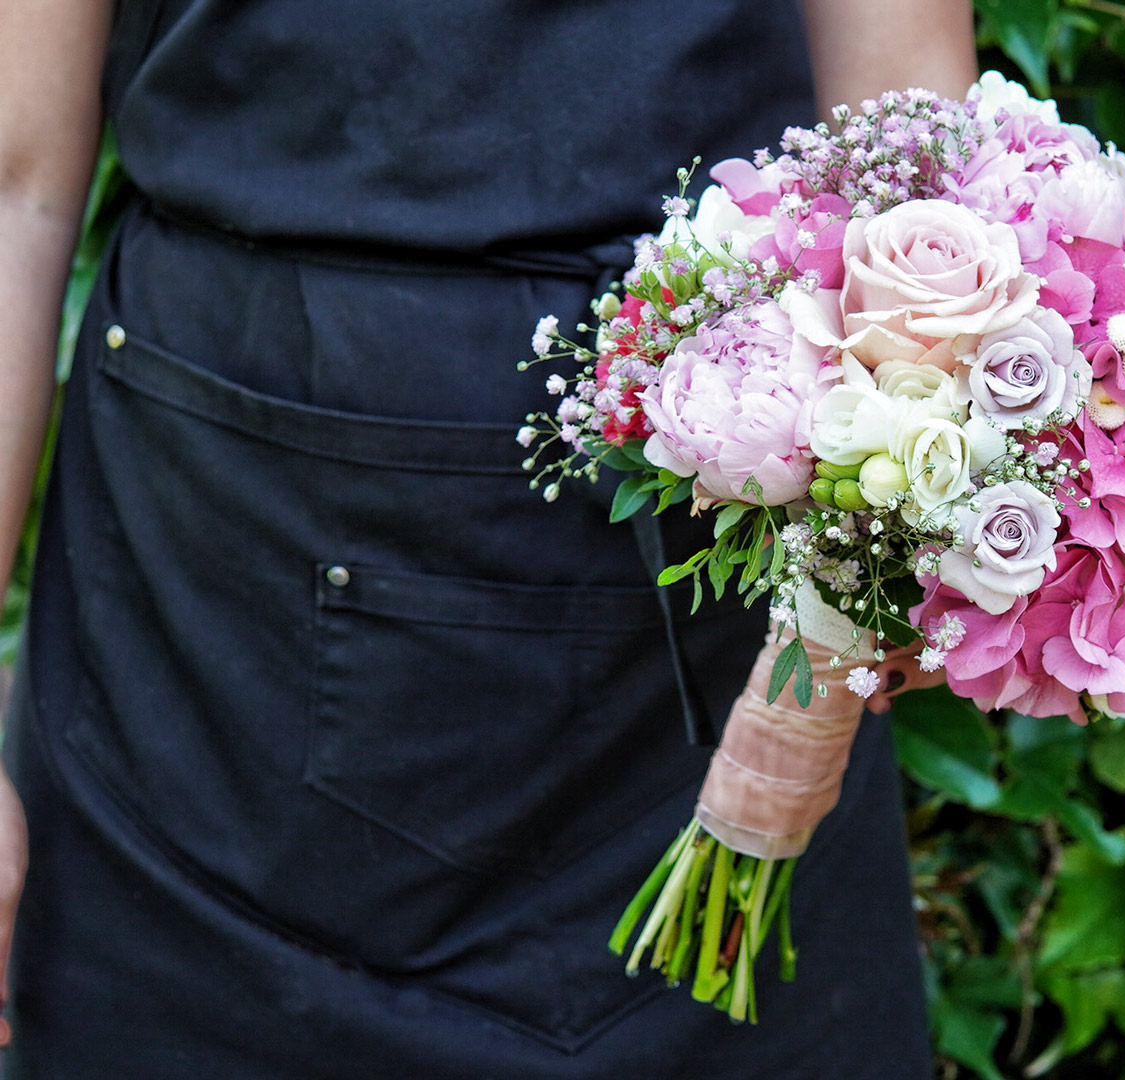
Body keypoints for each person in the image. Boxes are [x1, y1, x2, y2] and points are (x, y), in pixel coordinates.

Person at [0, 1, 975, 1075]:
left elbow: (911, 121)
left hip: (703, 660)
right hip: (201, 673)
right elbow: (13, 179)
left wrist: (912, 507)